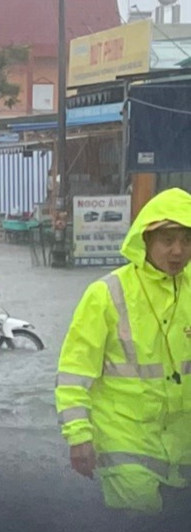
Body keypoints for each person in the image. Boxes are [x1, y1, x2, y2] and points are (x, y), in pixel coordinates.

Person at [56, 188, 191, 515]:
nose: (177, 251)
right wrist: (79, 437)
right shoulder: (105, 294)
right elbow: (73, 374)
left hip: (182, 448)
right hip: (124, 445)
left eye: (186, 240)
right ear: (145, 240)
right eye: (167, 240)